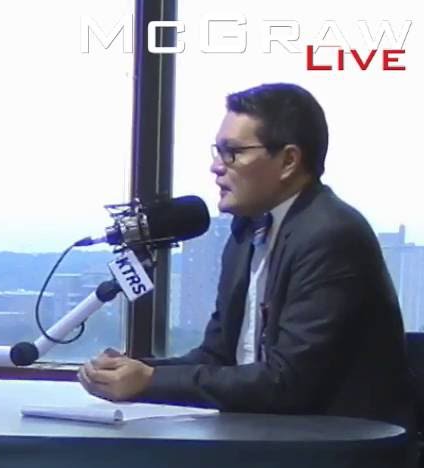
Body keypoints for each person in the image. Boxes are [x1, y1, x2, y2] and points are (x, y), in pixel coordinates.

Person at [79, 83, 412, 428]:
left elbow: (288, 384)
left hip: (340, 447)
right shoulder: (246, 231)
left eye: (233, 153)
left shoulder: (331, 235)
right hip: (269, 437)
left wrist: (150, 382)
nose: (216, 167)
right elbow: (217, 357)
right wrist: (134, 370)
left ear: (288, 161)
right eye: (217, 152)